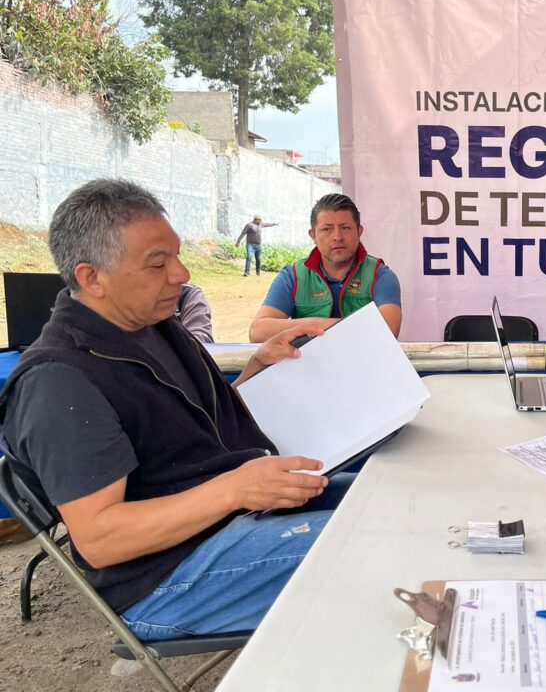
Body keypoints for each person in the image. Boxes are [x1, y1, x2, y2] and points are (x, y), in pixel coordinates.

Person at [0, 179, 352, 640]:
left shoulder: (151, 325)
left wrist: (257, 369)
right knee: (378, 544)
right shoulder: (59, 381)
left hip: (228, 518)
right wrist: (234, 490)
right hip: (167, 577)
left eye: (178, 256)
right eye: (158, 263)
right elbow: (101, 539)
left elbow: (194, 426)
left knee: (391, 498)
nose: (181, 274)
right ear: (92, 278)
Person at [249, 193, 401, 341]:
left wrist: (312, 330)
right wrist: (316, 325)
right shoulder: (293, 275)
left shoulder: (379, 275)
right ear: (313, 235)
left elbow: (388, 331)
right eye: (327, 229)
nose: (337, 237)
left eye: (345, 228)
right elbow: (257, 332)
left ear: (359, 232)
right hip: (307, 359)